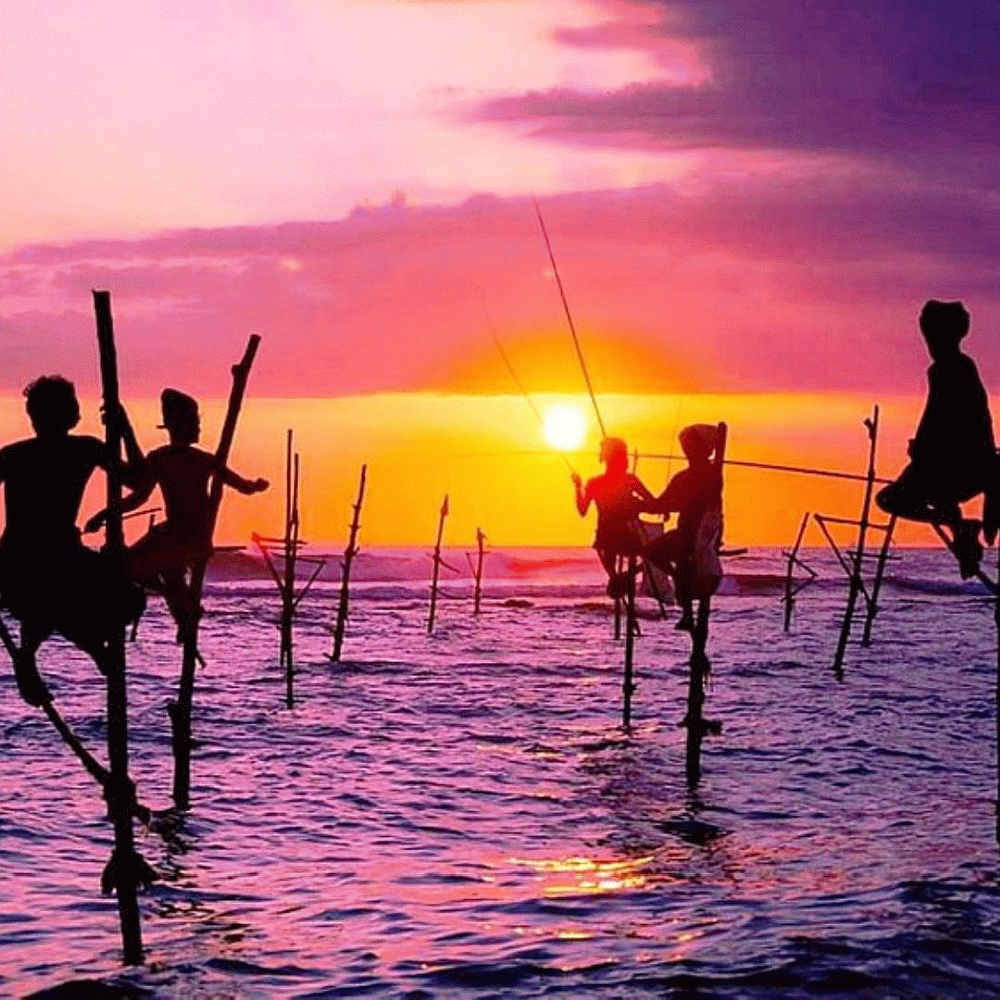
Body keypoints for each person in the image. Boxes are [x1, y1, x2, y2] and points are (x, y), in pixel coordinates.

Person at [0, 376, 144, 705]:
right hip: (26, 562)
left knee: (124, 597)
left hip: (51, 556)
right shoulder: (78, 449)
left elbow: (138, 482)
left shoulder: (24, 454)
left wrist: (124, 429)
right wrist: (125, 429)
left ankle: (79, 647)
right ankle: (36, 654)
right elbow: (138, 480)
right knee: (51, 595)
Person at [87, 389, 268, 637]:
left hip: (189, 536)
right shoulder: (167, 458)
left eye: (197, 422)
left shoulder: (198, 459)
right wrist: (105, 515)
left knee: (153, 570)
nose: (198, 428)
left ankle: (182, 609)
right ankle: (183, 612)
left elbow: (240, 485)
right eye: (193, 422)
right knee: (151, 570)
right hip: (176, 534)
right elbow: (139, 497)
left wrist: (254, 486)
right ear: (176, 426)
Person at [875, 300, 997, 578]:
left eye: (931, 338)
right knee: (933, 494)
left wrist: (921, 447)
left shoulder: (946, 369)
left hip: (956, 465)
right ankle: (960, 531)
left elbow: (937, 415)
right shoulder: (963, 366)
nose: (929, 345)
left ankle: (955, 525)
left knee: (888, 499)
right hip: (963, 463)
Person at [641, 423, 724, 631]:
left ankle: (687, 613)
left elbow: (684, 502)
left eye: (693, 446)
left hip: (702, 533)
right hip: (684, 531)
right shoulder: (683, 477)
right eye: (687, 447)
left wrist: (656, 505)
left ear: (705, 449)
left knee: (682, 558)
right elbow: (662, 503)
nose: (688, 451)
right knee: (652, 552)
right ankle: (680, 586)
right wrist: (641, 505)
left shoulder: (712, 474)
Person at [572, 437, 654, 595]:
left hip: (613, 536)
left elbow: (582, 510)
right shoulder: (628, 480)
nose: (599, 453)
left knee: (605, 549)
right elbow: (651, 502)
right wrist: (578, 486)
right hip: (620, 535)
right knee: (641, 555)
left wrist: (577, 487)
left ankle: (617, 578)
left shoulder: (598, 482)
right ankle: (620, 578)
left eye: (602, 450)